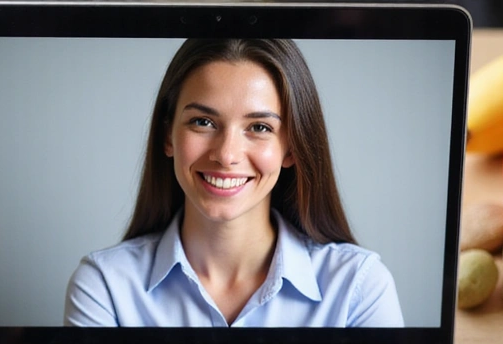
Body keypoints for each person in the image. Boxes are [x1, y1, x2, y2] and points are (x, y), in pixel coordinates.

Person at [64, 38, 404, 328]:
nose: (226, 155)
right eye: (203, 121)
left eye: (259, 127)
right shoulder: (104, 286)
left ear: (292, 148)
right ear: (168, 136)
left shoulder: (359, 286)